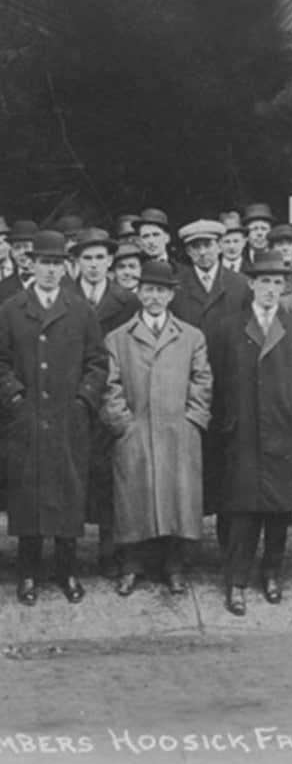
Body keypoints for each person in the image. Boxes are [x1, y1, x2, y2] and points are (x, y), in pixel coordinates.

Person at [0, 230, 109, 605]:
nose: (49, 270)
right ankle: (28, 573)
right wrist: (13, 396)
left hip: (67, 420)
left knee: (67, 495)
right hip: (26, 420)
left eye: (56, 263)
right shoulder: (11, 308)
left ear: (66, 267)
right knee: (28, 496)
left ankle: (67, 571)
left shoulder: (80, 309)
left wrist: (83, 401)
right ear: (31, 264)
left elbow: (98, 363)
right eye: (43, 263)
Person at [213, 251, 292, 616]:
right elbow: (217, 381)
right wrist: (226, 424)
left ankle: (272, 573)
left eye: (278, 283)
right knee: (241, 511)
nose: (271, 289)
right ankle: (236, 581)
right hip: (241, 434)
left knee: (278, 510)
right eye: (264, 282)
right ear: (252, 285)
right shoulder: (228, 328)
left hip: (283, 433)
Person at [100, 260, 212, 596]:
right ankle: (132, 566)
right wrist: (123, 423)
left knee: (175, 500)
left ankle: (173, 566)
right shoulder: (118, 338)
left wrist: (192, 419)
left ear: (171, 295)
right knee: (135, 500)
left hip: (178, 431)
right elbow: (110, 384)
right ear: (138, 292)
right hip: (137, 430)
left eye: (161, 291)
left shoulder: (191, 336)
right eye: (148, 289)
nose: (154, 297)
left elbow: (202, 380)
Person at [66, 227, 141, 579]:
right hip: (73, 397)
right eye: (87, 258)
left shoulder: (127, 301)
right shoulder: (63, 296)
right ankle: (68, 555)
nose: (94, 265)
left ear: (110, 261)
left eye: (100, 258)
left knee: (114, 477)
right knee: (71, 474)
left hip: (112, 396)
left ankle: (111, 550)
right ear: (76, 262)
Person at [171, 220, 252, 531]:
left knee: (228, 467)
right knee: (188, 466)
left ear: (220, 245)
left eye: (208, 245)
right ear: (188, 251)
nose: (203, 252)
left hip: (228, 389)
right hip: (187, 390)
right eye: (195, 247)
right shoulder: (178, 288)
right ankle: (183, 540)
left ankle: (228, 544)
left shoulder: (240, 285)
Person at [0, 219, 39, 303]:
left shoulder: (57, 282)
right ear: (12, 252)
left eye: (26, 246)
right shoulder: (2, 288)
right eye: (17, 247)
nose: (22, 252)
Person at [241, 203, 275, 269]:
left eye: (264, 229)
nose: (259, 233)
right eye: (254, 229)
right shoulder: (239, 259)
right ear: (247, 235)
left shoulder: (278, 257)